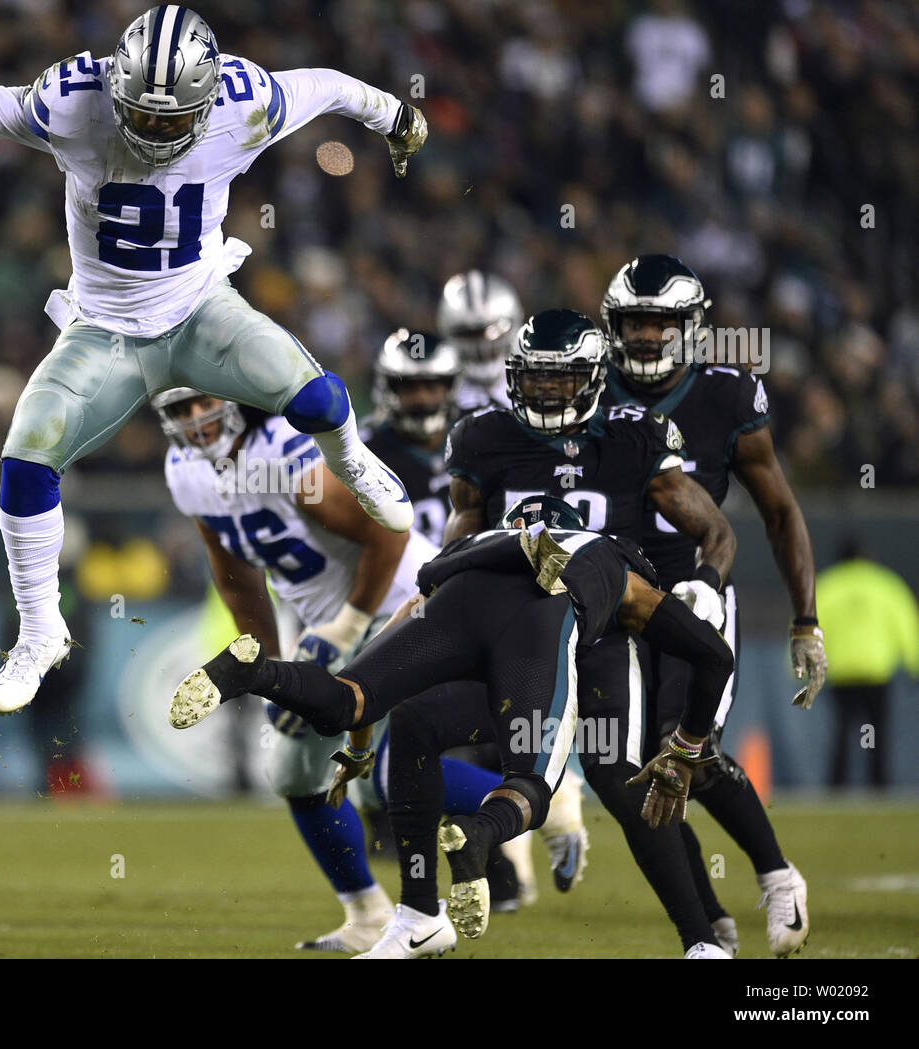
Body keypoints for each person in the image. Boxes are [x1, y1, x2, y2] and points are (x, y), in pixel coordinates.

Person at [0, 4, 428, 715]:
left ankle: (353, 462)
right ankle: (41, 629)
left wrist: (395, 117)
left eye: (173, 121)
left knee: (320, 401)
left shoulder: (248, 102)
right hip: (105, 331)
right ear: (116, 91)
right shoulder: (72, 103)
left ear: (207, 102)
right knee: (25, 458)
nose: (155, 132)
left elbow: (328, 86)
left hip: (202, 308)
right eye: (142, 116)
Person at [171, 495, 735, 959]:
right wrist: (684, 745)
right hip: (542, 620)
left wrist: (362, 744)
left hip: (457, 600)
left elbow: (373, 679)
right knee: (533, 781)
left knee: (380, 709)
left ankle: (257, 672)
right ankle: (480, 838)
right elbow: (714, 656)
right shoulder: (613, 561)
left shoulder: (470, 548)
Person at [157, 386, 507, 953]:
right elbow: (235, 572)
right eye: (178, 410)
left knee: (379, 766)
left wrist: (344, 628)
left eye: (202, 402)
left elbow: (386, 535)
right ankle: (368, 913)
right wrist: (265, 663)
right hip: (330, 620)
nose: (195, 418)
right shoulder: (185, 472)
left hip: (401, 598)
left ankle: (517, 805)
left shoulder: (284, 452)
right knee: (299, 769)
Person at [443, 307, 740, 956]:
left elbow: (715, 531)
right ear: (516, 376)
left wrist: (707, 585)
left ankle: (702, 937)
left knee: (616, 773)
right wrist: (443, 587)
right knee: (426, 740)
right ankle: (414, 910)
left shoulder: (634, 435)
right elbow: (461, 524)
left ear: (595, 377)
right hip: (515, 629)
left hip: (602, 629)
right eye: (538, 378)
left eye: (564, 378)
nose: (549, 390)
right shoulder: (483, 436)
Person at [600, 253, 823, 956]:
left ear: (691, 327)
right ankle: (707, 923)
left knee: (683, 748)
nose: (642, 336)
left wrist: (805, 619)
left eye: (657, 323)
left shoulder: (728, 395)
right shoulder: (589, 387)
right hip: (611, 589)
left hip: (695, 585)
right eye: (632, 322)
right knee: (618, 770)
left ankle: (777, 874)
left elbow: (780, 511)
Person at [362, 328, 587, 909]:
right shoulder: (363, 448)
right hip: (398, 607)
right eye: (410, 387)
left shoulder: (485, 435)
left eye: (433, 385)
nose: (421, 398)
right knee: (388, 762)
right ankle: (515, 850)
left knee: (404, 757)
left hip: (465, 606)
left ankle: (473, 873)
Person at [816, 536, 919, 787]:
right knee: (876, 732)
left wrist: (801, 669)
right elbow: (906, 625)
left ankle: (837, 785)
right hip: (876, 672)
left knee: (842, 733)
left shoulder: (827, 585)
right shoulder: (885, 584)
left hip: (842, 673)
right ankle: (878, 784)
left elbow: (808, 625)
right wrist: (914, 665)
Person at [437, 271, 525, 416]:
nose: (482, 344)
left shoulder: (537, 385)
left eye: (493, 330)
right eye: (469, 334)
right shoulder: (442, 398)